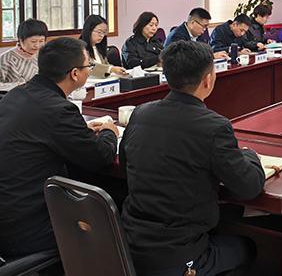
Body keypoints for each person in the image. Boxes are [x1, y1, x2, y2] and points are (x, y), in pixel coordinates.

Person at [120, 40, 265, 276]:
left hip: (131, 242)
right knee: (247, 247)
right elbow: (249, 186)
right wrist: (250, 155)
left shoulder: (140, 113)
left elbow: (125, 163)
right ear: (208, 80)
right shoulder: (214, 127)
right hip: (179, 254)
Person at [0, 37, 118, 258]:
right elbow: (101, 156)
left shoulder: (17, 94)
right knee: (112, 211)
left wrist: (79, 131)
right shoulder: (58, 110)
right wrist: (110, 131)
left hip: (8, 210)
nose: (89, 70)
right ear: (75, 74)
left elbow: (41, 131)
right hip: (28, 225)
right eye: (89, 66)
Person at [0, 19, 47, 84]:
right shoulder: (6, 59)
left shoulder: (43, 55)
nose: (37, 45)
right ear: (21, 40)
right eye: (33, 41)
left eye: (41, 41)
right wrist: (17, 85)